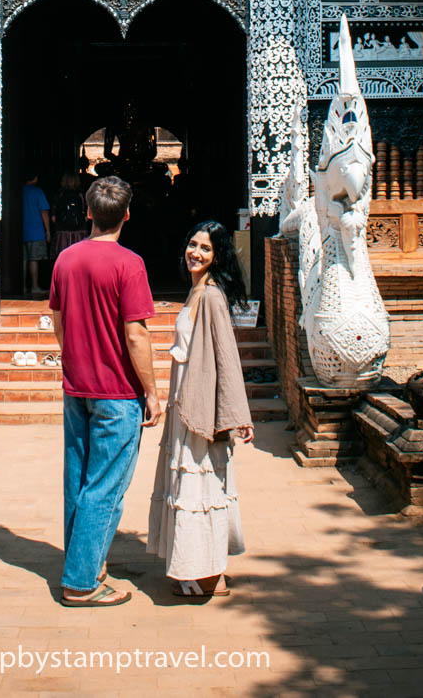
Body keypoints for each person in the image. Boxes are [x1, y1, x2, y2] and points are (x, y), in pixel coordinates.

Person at [49, 175, 161, 606]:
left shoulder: (65, 260)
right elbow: (136, 335)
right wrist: (151, 391)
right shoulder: (129, 264)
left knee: (77, 480)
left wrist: (74, 354)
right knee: (105, 486)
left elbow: (58, 319)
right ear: (127, 215)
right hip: (117, 392)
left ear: (89, 212)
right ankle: (81, 581)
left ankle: (85, 561)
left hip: (78, 388)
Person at [147, 219, 253, 598]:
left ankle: (201, 575)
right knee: (198, 487)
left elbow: (226, 355)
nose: (196, 253)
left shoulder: (209, 297)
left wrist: (236, 413)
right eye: (193, 244)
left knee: (198, 488)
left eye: (206, 249)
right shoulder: (195, 293)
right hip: (185, 405)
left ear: (217, 255)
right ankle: (210, 572)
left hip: (200, 407)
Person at [22, 172, 51, 296]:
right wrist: (48, 230)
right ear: (35, 178)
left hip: (22, 229)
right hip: (36, 230)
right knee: (34, 259)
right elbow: (44, 212)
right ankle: (34, 286)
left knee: (23, 259)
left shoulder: (20, 191)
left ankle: (22, 287)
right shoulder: (38, 192)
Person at [51, 171, 88, 259]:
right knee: (80, 257)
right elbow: (88, 214)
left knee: (63, 257)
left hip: (62, 233)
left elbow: (53, 217)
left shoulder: (59, 195)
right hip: (80, 232)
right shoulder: (82, 195)